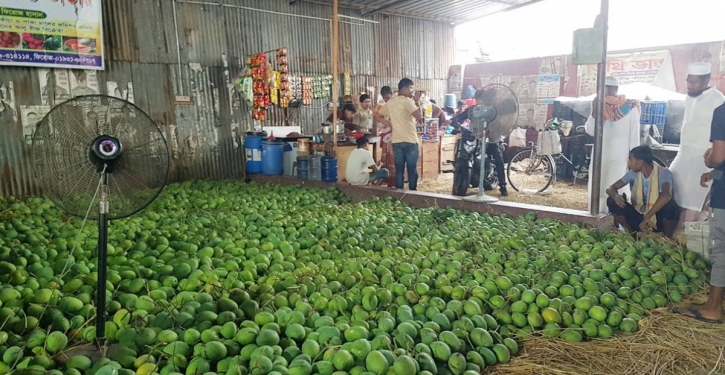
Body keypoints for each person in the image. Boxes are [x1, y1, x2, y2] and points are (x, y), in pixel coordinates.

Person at [674, 101, 725, 323]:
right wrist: (716, 174)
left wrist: (709, 160)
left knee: (721, 250)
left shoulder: (721, 111)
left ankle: (713, 308)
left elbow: (719, 156)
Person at [670, 62, 725, 225]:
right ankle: (678, 237)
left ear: (706, 81)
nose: (688, 86)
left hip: (704, 158)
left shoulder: (718, 100)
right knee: (675, 195)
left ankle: (688, 239)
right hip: (683, 154)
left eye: (693, 82)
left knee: (693, 203)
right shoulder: (689, 97)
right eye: (688, 81)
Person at [585, 76, 641, 215]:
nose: (602, 92)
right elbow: (590, 131)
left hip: (620, 158)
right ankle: (596, 216)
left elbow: (634, 136)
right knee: (597, 188)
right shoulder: (598, 106)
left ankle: (617, 220)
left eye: (604, 89)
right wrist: (594, 113)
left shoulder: (631, 107)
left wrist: (634, 159)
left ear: (613, 89)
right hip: (600, 156)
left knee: (617, 189)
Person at [606, 145, 679, 238]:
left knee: (670, 205)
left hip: (656, 218)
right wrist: (616, 196)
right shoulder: (633, 173)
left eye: (631, 160)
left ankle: (666, 238)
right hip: (639, 214)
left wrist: (647, 217)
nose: (629, 164)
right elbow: (610, 188)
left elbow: (666, 194)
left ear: (640, 162)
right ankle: (633, 235)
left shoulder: (663, 173)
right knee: (611, 200)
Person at [450, 88, 509, 196]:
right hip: (474, 138)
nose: (478, 101)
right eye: (477, 99)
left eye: (480, 99)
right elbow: (457, 118)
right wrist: (457, 125)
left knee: (498, 159)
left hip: (490, 140)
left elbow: (500, 126)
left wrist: (491, 132)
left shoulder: (493, 111)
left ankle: (503, 186)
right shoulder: (472, 110)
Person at [376, 78, 423, 190]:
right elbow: (419, 116)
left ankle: (399, 194)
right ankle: (413, 193)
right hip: (410, 140)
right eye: (411, 88)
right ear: (405, 88)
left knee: (399, 170)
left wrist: (390, 124)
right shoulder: (408, 101)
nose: (412, 91)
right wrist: (417, 101)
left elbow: (377, 115)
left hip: (397, 141)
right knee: (412, 170)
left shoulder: (391, 102)